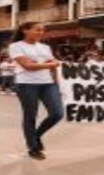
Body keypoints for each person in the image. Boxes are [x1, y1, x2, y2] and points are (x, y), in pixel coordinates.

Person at [8, 22, 63, 160]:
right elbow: (27, 66)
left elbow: (55, 65)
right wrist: (51, 64)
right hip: (27, 84)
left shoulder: (45, 47)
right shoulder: (16, 46)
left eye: (42, 30)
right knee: (30, 116)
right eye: (37, 30)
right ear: (25, 30)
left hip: (48, 84)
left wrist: (59, 83)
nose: (40, 33)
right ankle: (33, 147)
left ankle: (36, 135)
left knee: (57, 113)